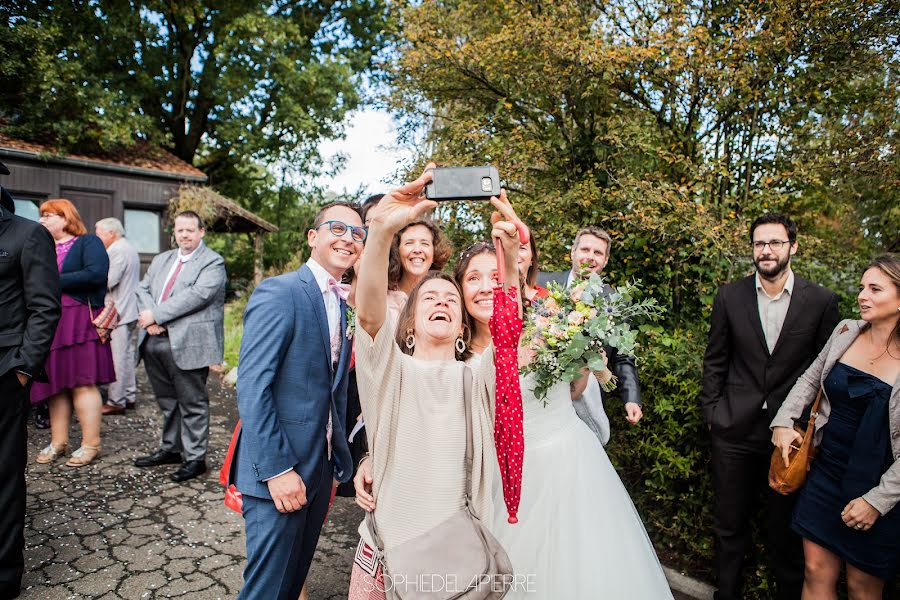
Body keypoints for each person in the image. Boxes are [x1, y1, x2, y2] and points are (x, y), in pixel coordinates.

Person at [456, 240, 672, 599]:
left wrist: (585, 364)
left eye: (495, 276)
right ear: (460, 287)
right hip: (501, 475)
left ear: (514, 279)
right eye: (473, 278)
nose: (485, 287)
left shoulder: (548, 326)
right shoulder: (454, 350)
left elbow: (572, 390)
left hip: (572, 465)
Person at [348, 167, 521, 598]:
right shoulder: (388, 370)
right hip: (387, 556)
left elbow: (507, 332)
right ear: (408, 323)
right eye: (429, 297)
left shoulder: (477, 376)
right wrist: (383, 231)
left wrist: (512, 262)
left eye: (450, 299)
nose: (442, 300)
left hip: (455, 565)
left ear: (463, 327)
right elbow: (369, 314)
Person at [701, 213, 841, 600]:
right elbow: (716, 359)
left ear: (793, 246)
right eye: (759, 243)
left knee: (785, 533)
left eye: (775, 242)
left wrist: (811, 431)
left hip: (789, 437)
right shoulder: (729, 296)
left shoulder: (821, 301)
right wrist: (713, 413)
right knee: (729, 526)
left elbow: (826, 373)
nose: (766, 250)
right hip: (733, 429)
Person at [232, 201, 362, 600]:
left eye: (358, 234)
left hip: (318, 470)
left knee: (289, 586)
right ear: (313, 237)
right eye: (338, 228)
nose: (349, 239)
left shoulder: (343, 304)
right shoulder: (281, 291)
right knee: (266, 591)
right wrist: (276, 470)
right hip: (280, 470)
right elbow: (253, 386)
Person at [772, 254, 900, 599]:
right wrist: (784, 421)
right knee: (815, 571)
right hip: (826, 471)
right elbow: (811, 379)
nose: (862, 295)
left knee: (862, 587)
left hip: (881, 486)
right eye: (862, 287)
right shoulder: (847, 330)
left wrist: (876, 502)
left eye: (875, 289)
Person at [0, 169, 61, 600]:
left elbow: (45, 309)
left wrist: (21, 369)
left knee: (3, 476)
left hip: (4, 373)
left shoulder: (26, 235)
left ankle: (4, 575)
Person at [134, 210, 226, 482]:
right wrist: (150, 318)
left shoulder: (213, 262)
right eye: (179, 230)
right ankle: (171, 449)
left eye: (189, 230)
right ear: (174, 232)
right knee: (167, 401)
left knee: (192, 403)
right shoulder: (162, 259)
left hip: (188, 344)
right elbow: (143, 289)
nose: (184, 234)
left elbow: (197, 296)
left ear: (201, 232)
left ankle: (195, 458)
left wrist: (157, 315)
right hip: (153, 340)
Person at [32, 199, 115, 468]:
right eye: (41, 216)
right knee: (54, 384)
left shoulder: (87, 242)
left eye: (48, 216)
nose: (42, 220)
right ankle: (59, 442)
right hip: (48, 323)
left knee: (82, 382)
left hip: (79, 320)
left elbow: (96, 274)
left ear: (66, 218)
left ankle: (91, 444)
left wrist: (48, 281)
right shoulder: (40, 247)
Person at [540, 226, 643, 425]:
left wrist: (631, 398)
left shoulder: (615, 301)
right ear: (573, 252)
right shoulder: (542, 282)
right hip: (542, 393)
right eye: (585, 250)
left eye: (598, 253)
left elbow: (623, 356)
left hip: (587, 398)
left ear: (605, 260)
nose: (590, 257)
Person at [95, 217, 140, 415]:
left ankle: (116, 401)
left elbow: (109, 280)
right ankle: (129, 396)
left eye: (99, 234)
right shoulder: (128, 247)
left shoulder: (117, 250)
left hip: (119, 310)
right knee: (127, 356)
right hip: (128, 309)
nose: (97, 238)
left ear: (111, 233)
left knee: (118, 357)